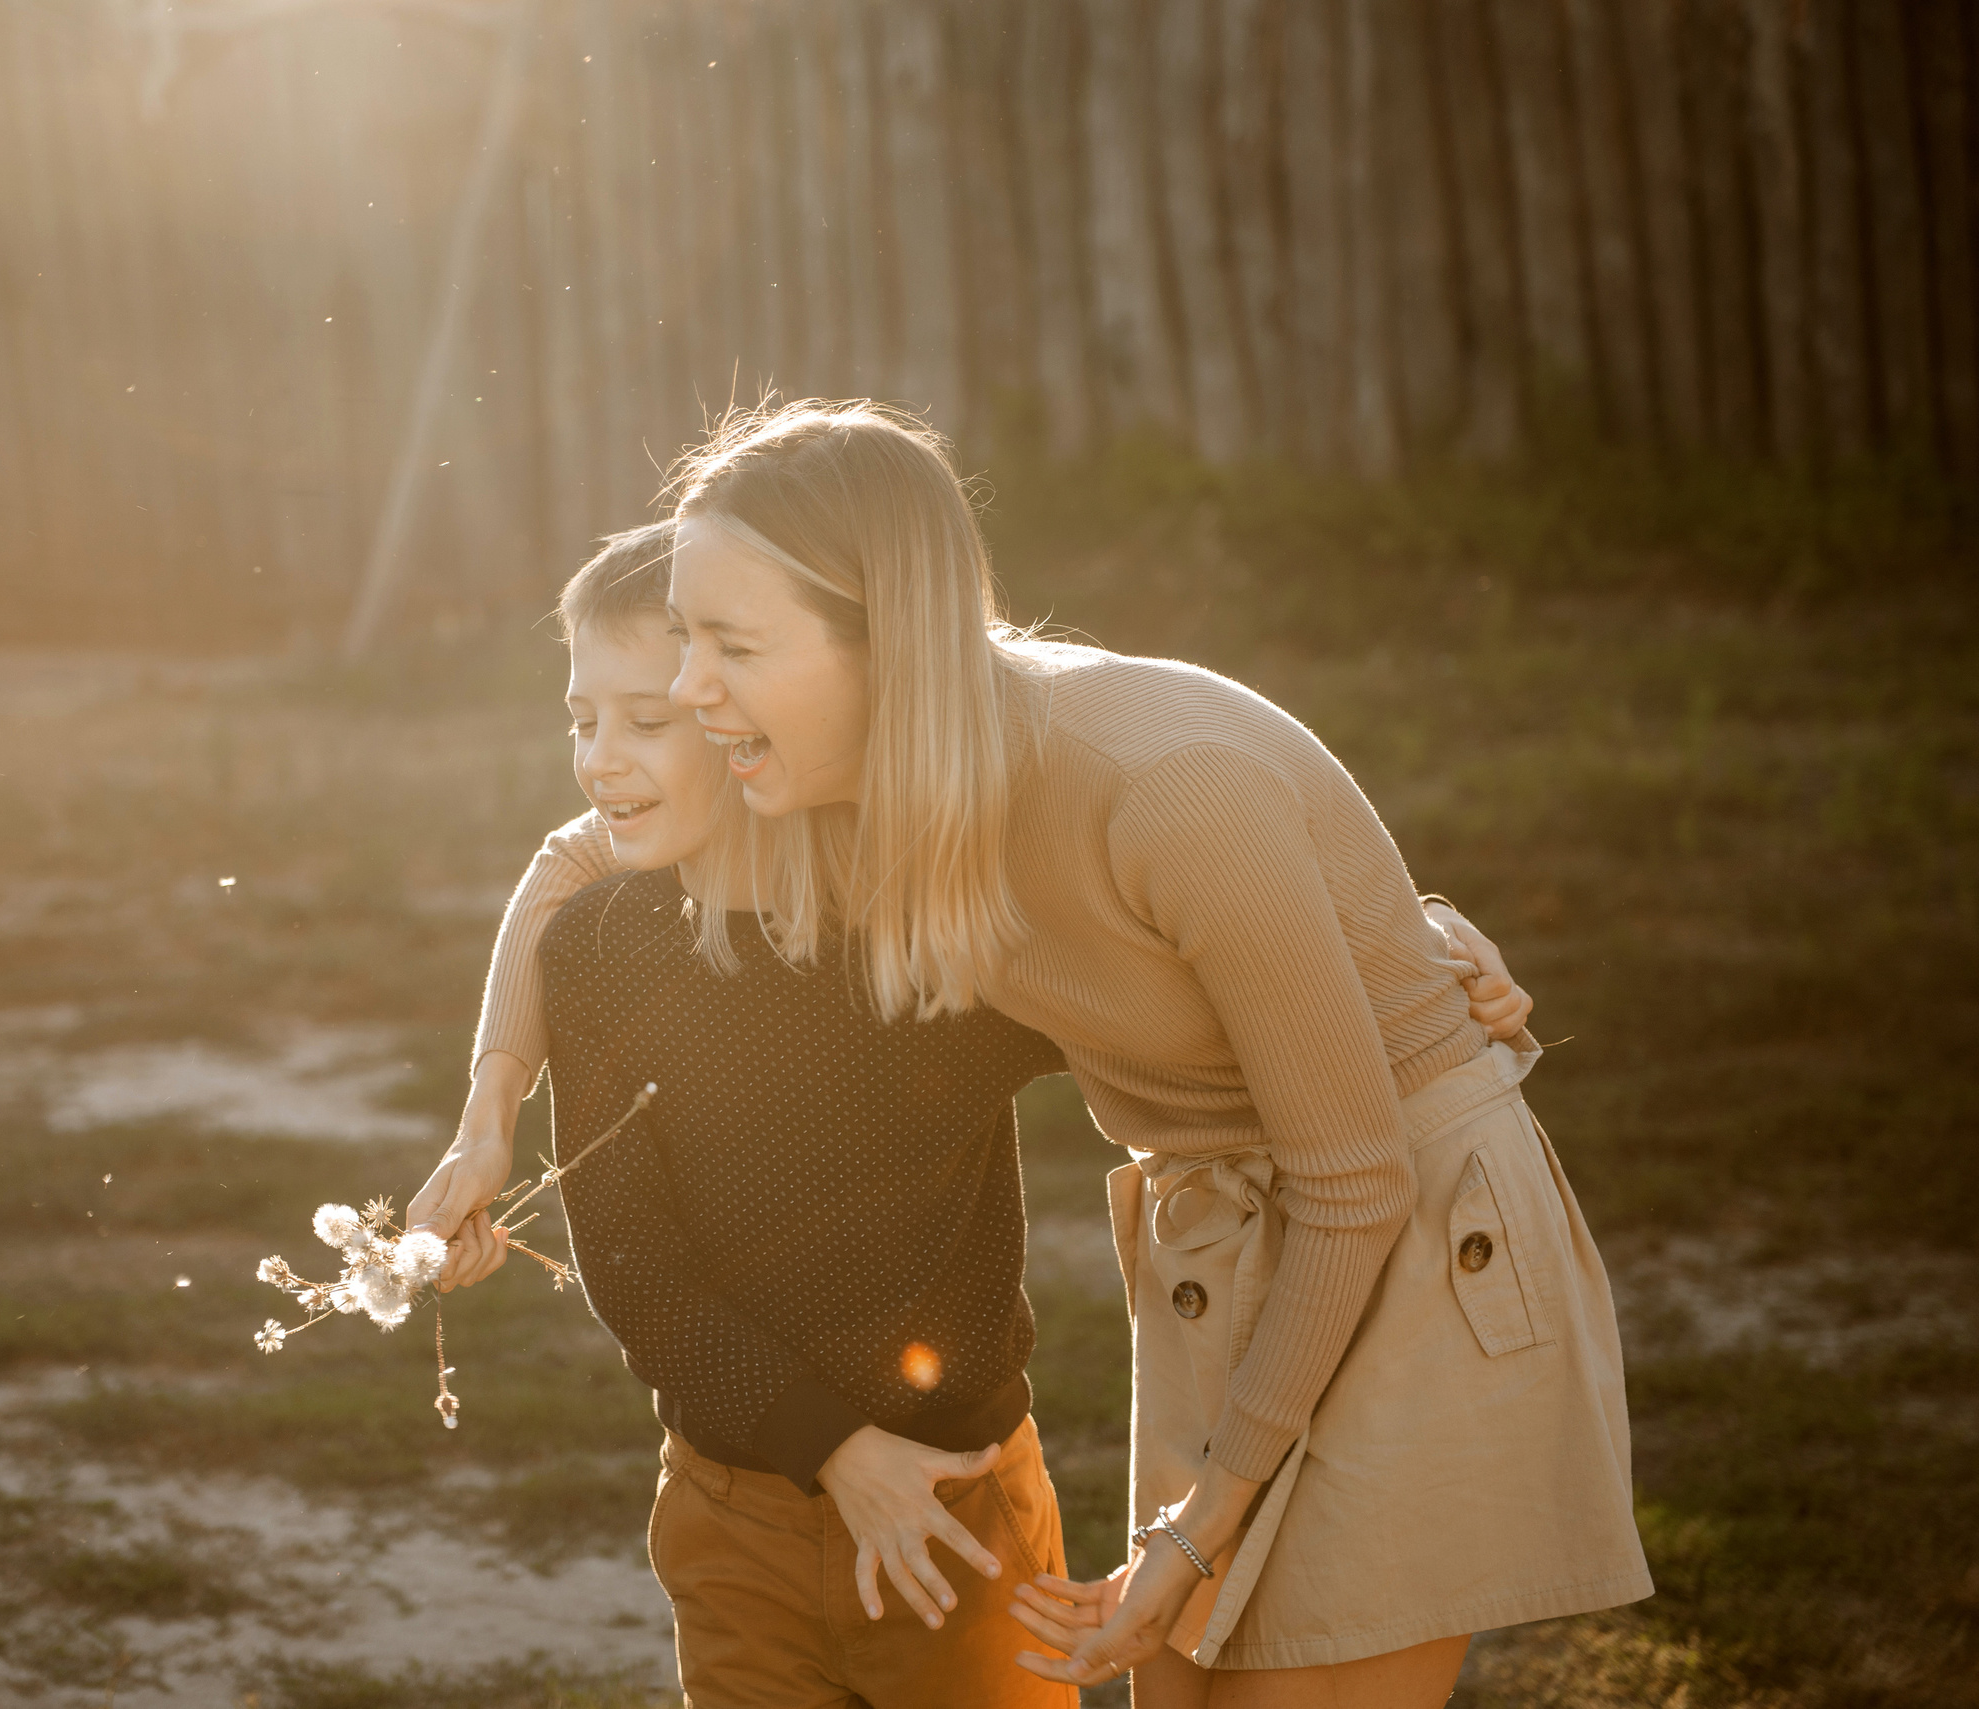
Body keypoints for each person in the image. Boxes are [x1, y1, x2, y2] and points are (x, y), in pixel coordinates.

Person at [419, 402, 1646, 1707]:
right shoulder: (873, 795)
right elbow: (579, 858)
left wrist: (1196, 1524)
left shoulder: (1159, 784)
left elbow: (1355, 1178)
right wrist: (492, 1110)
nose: (688, 688)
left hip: (1393, 1240)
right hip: (1228, 1249)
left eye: (728, 645)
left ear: (878, 637)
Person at [419, 523, 1078, 1708]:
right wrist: (832, 1447)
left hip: (955, 1509)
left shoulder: (927, 940)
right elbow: (630, 1261)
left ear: (746, 720)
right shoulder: (604, 951)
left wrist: (1410, 947)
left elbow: (1169, 984)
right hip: (731, 1517)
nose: (600, 758)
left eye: (649, 718)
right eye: (582, 719)